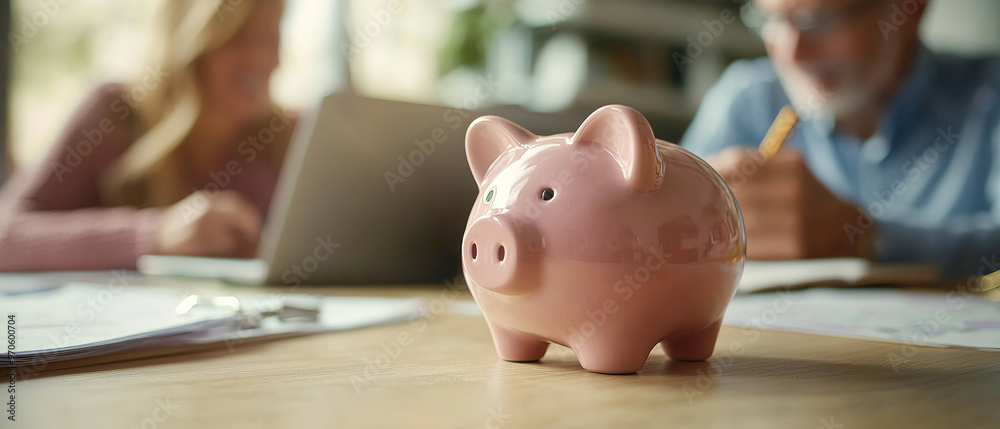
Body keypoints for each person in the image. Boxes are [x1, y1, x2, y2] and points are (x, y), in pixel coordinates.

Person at [681, 0, 1000, 281]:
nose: (791, 52)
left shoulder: (990, 96)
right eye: (773, 20)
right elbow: (670, 232)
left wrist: (861, 236)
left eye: (819, 21)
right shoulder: (747, 100)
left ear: (910, 9)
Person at [0, 0, 295, 271]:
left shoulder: (287, 133)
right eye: (240, 36)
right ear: (190, 39)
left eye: (273, 35)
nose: (264, 58)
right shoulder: (113, 113)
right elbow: (6, 236)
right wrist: (155, 235)